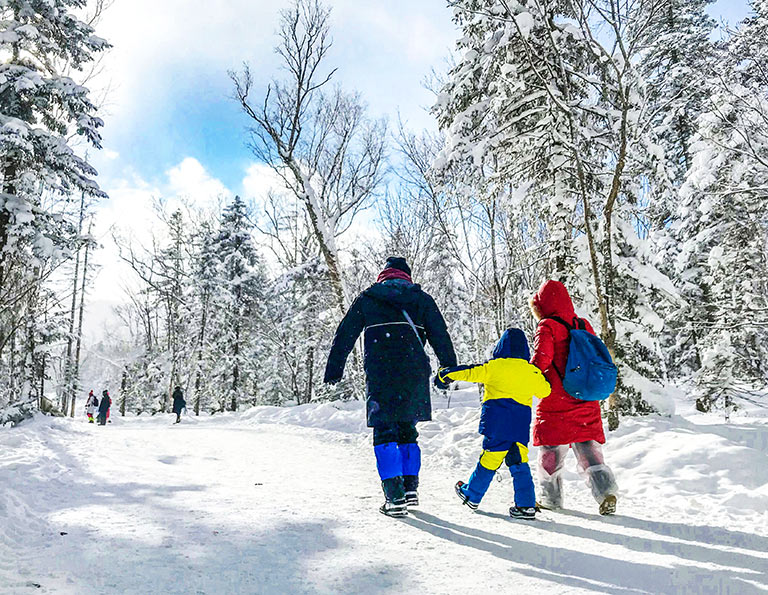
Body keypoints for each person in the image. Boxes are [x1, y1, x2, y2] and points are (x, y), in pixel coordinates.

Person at [324, 257, 457, 517]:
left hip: (381, 372)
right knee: (408, 429)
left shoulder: (368, 298)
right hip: (414, 373)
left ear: (383, 275)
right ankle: (409, 489)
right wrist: (448, 368)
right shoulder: (422, 300)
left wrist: (334, 369)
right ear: (406, 276)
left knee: (385, 431)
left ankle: (394, 496)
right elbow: (441, 334)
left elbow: (345, 334)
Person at [435, 328, 551, 519]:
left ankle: (472, 494)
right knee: (519, 461)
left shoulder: (494, 367)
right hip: (519, 427)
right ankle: (526, 505)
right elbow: (545, 390)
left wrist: (446, 374)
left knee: (490, 458)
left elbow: (470, 372)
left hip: (497, 424)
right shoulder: (531, 371)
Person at [529, 280, 619, 515]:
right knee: (589, 448)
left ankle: (551, 498)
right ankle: (606, 491)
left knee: (550, 452)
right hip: (585, 398)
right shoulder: (582, 323)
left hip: (556, 402)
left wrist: (525, 377)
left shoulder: (547, 325)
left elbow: (540, 361)